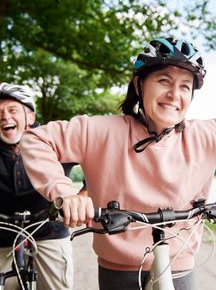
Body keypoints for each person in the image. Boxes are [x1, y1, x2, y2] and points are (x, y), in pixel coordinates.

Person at [20, 37, 210, 290]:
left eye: (185, 86)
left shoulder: (204, 135)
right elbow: (35, 138)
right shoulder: (102, 130)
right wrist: (63, 192)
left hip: (180, 264)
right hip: (118, 268)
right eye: (164, 81)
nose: (174, 94)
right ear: (139, 84)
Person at [0, 82, 76, 290]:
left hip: (49, 232)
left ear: (31, 117)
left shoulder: (56, 141)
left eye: (12, 110)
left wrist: (84, 193)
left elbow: (99, 156)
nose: (5, 117)